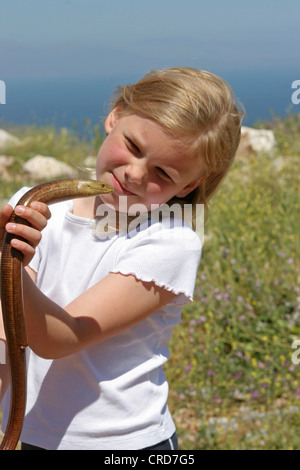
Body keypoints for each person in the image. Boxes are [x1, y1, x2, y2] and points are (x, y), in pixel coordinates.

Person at [0, 67, 243, 450]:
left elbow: (59, 337)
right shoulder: (34, 203)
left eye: (162, 172)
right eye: (132, 146)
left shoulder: (170, 242)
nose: (133, 174)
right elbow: (5, 331)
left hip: (123, 445)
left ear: (191, 184)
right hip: (29, 436)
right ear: (114, 116)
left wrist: (7, 264)